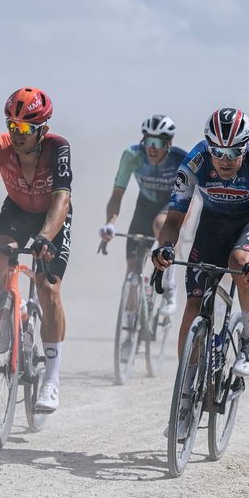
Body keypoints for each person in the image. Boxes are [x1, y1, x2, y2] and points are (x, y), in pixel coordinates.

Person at [152, 108, 249, 437]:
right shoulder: (194, 161)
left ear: (245, 147)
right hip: (212, 226)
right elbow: (174, 219)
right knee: (193, 306)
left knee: (239, 261)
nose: (224, 159)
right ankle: (184, 395)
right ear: (209, 146)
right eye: (217, 151)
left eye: (233, 152)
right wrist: (165, 247)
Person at [0, 88, 71, 413]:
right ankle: (10, 315)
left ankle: (51, 379)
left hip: (51, 215)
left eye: (24, 128)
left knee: (48, 289)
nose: (16, 134)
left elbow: (62, 199)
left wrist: (46, 236)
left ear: (42, 130)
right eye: (11, 125)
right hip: (16, 210)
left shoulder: (58, 147)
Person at [99, 116, 188, 339]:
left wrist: (176, 228)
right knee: (132, 273)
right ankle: (128, 329)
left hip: (173, 204)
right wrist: (110, 222)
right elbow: (117, 194)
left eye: (158, 143)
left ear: (169, 143)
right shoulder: (133, 155)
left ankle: (169, 287)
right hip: (145, 206)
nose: (152, 148)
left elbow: (191, 199)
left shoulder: (181, 159)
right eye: (148, 141)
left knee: (161, 224)